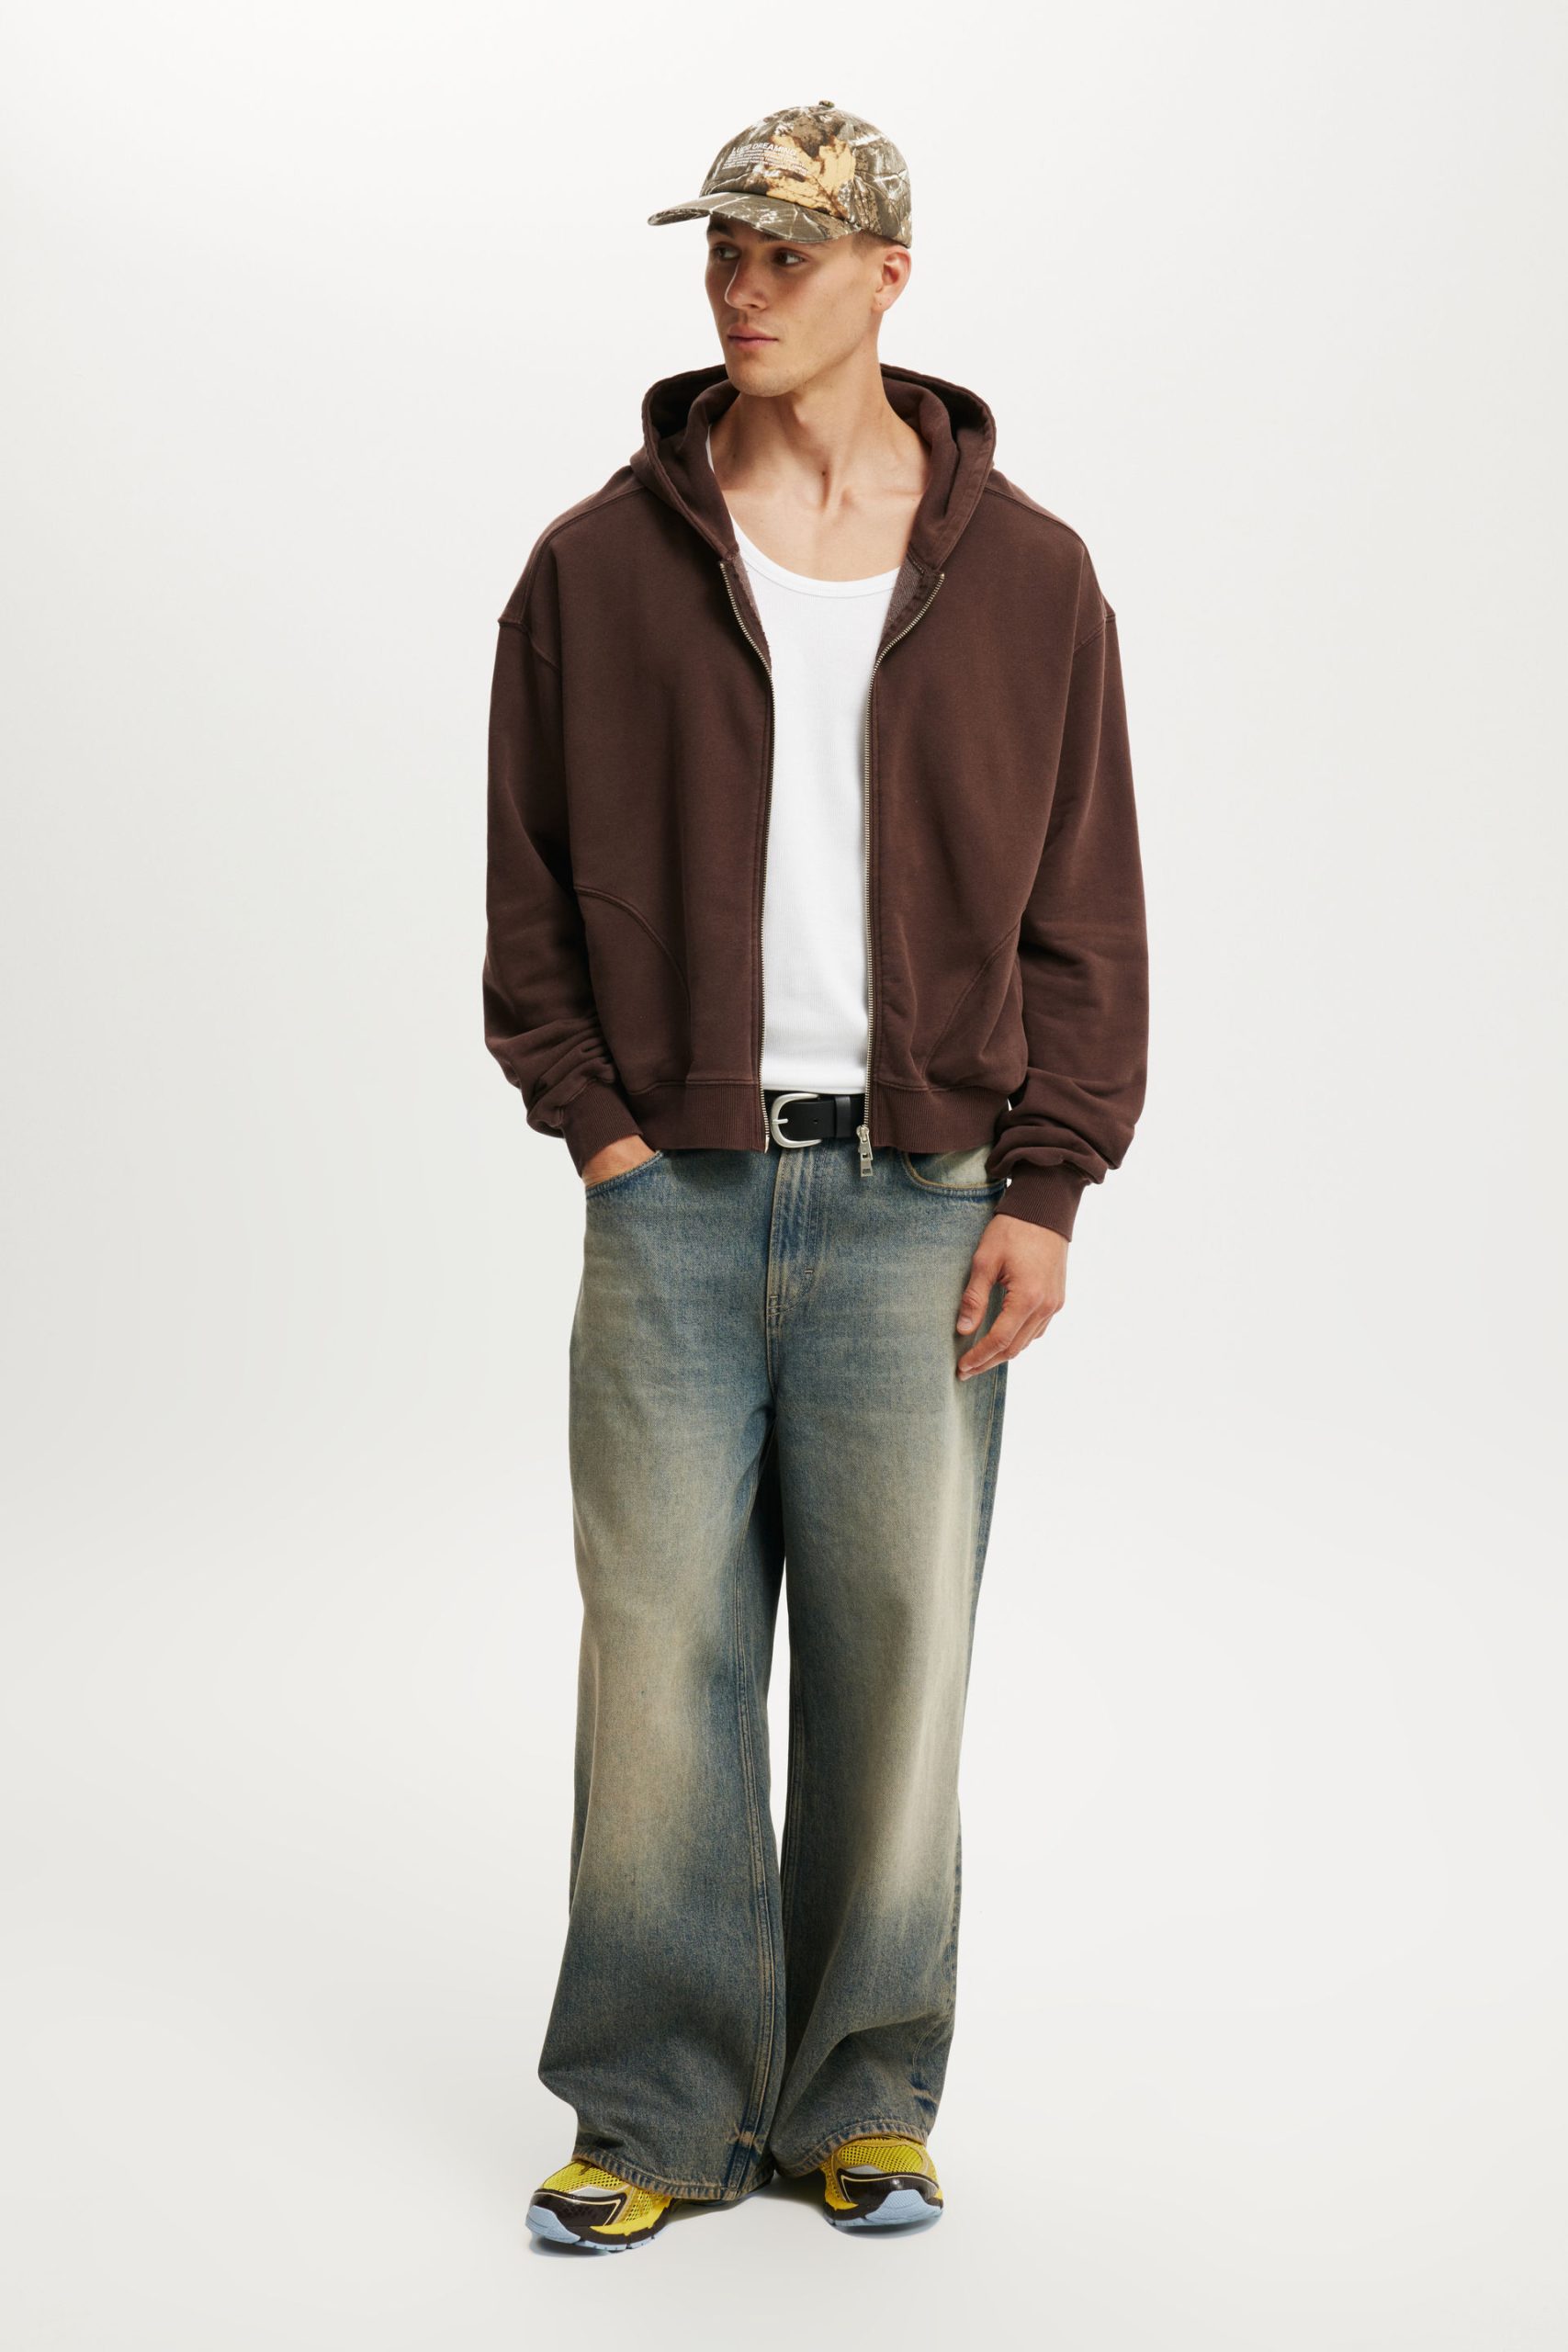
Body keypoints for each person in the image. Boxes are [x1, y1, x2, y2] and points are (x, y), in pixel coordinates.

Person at [483, 98, 1149, 2253]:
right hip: (668, 1197)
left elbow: (1084, 908)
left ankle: (862, 2097)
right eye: (722, 250)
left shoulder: (1027, 575)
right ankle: (655, 2109)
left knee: (897, 1662)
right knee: (655, 1666)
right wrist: (597, 1124)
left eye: (784, 252)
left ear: (885, 275)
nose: (741, 287)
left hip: (924, 1200)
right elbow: (522, 894)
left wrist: (1043, 1184)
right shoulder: (596, 564)